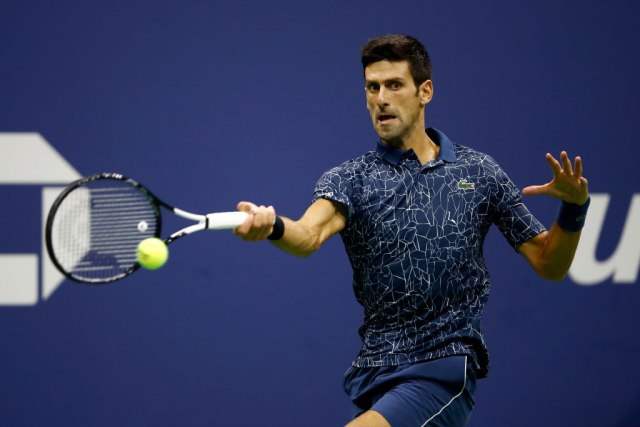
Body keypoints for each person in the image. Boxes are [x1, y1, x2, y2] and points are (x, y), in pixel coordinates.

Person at [233, 34, 590, 427]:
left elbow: (549, 263)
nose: (381, 98)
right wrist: (273, 226)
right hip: (374, 372)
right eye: (372, 87)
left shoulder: (479, 172)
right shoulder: (350, 179)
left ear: (425, 92)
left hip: (442, 367)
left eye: (394, 85)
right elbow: (307, 236)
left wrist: (574, 208)